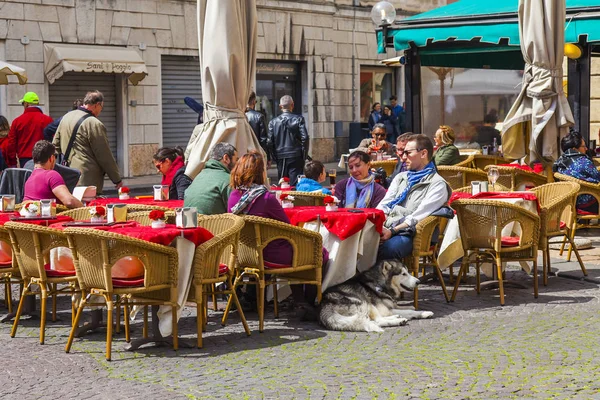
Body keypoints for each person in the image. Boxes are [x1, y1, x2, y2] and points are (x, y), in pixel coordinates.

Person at [228, 151, 327, 308]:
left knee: (296, 249)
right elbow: (287, 227)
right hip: (269, 254)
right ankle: (305, 302)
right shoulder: (266, 198)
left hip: (246, 254)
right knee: (317, 251)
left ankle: (299, 302)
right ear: (260, 173)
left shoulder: (233, 196)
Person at [377, 134, 452, 261]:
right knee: (355, 242)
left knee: (387, 249)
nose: (403, 157)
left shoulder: (437, 184)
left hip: (412, 234)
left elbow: (419, 216)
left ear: (423, 153)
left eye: (408, 153)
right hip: (388, 226)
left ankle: (384, 279)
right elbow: (385, 204)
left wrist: (393, 231)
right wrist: (380, 224)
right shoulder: (401, 177)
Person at [53, 90, 122, 194]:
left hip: (68, 174)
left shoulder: (67, 117)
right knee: (88, 208)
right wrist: (116, 178)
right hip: (87, 178)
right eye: (101, 108)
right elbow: (104, 154)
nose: (100, 111)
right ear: (97, 105)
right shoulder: (94, 123)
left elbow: (55, 145)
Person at [23, 141, 83, 209]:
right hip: (50, 217)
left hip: (32, 215)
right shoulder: (51, 175)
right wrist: (85, 208)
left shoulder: (29, 178)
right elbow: (69, 201)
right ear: (51, 158)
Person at [553, 130, 600, 213]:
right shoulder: (583, 162)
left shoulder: (560, 161)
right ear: (575, 149)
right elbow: (598, 178)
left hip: (570, 202)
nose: (586, 148)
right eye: (583, 146)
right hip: (588, 203)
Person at [184, 143, 238, 214]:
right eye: (236, 160)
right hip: (212, 224)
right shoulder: (228, 180)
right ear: (226, 158)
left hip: (189, 222)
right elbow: (236, 210)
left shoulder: (199, 176)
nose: (238, 164)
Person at [267, 95, 309, 186]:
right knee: (295, 184)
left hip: (281, 156)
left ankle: (283, 199)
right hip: (296, 155)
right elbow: (305, 138)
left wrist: (274, 156)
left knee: (283, 183)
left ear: (280, 106)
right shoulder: (299, 119)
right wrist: (304, 155)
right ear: (292, 105)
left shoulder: (273, 122)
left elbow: (269, 142)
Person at [6, 92, 53, 168]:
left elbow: (11, 144)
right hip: (44, 159)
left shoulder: (17, 121)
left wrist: (13, 163)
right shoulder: (48, 120)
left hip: (24, 160)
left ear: (26, 104)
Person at [246, 91, 269, 161]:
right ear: (253, 101)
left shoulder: (239, 116)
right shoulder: (259, 116)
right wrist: (267, 155)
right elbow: (263, 139)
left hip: (243, 151)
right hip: (256, 152)